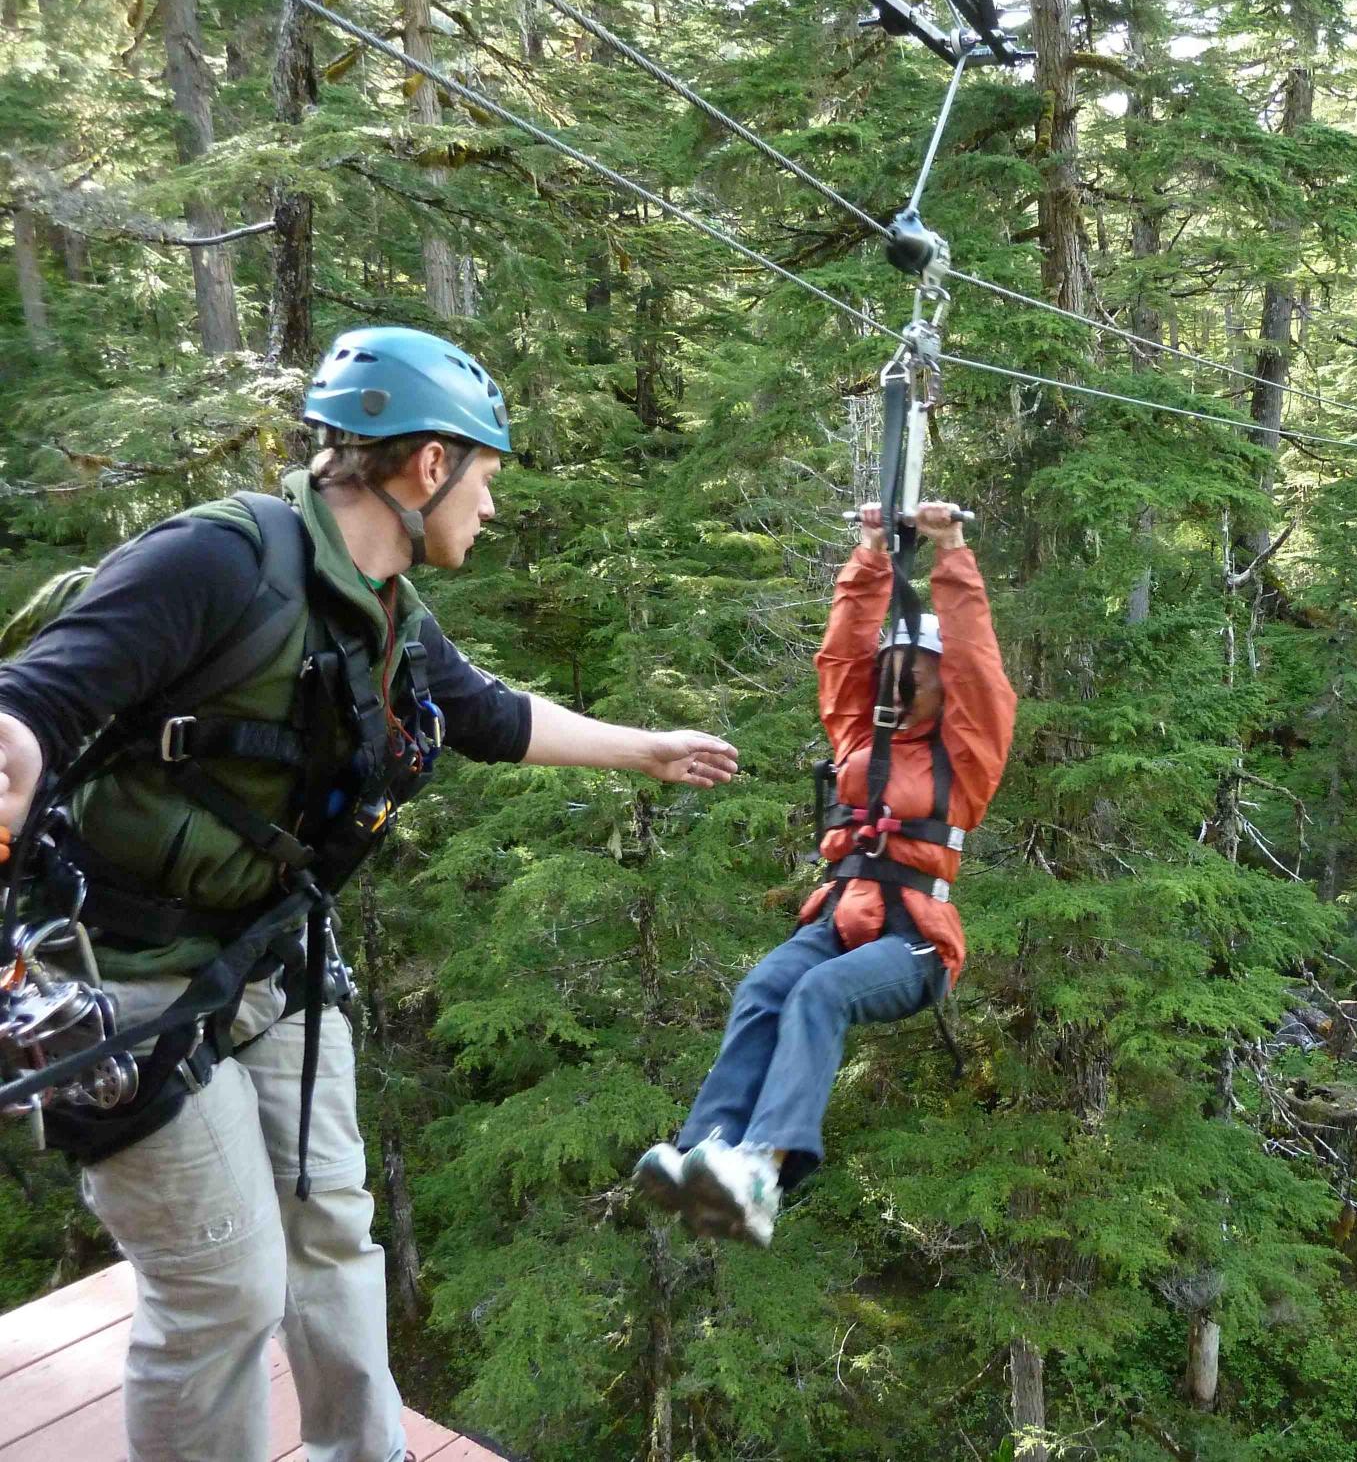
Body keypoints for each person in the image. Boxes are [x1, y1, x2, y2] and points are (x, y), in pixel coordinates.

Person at [0, 327, 739, 1462]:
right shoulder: (217, 561)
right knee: (222, 1296)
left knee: (334, 1232)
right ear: (429, 465)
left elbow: (486, 715)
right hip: (129, 984)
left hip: (273, 966)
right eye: (486, 480)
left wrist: (648, 751)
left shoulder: (381, 607)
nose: (489, 511)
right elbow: (34, 705)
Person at [633, 497, 1014, 1246]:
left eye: (915, 677)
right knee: (767, 986)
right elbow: (840, 655)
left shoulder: (965, 756)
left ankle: (763, 1170)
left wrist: (951, 552)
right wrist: (873, 551)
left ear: (944, 688)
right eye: (891, 673)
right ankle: (707, 1150)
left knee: (817, 994)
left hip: (915, 939)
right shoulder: (858, 736)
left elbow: (980, 667)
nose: (896, 689)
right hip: (842, 915)